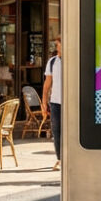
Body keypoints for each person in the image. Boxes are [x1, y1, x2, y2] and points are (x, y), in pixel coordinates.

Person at [41, 36, 62, 171]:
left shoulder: (73, 60)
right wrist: (44, 102)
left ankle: (70, 158)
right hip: (55, 102)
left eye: (59, 44)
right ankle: (59, 159)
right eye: (57, 44)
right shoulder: (53, 62)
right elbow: (47, 84)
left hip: (70, 103)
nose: (57, 47)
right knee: (56, 131)